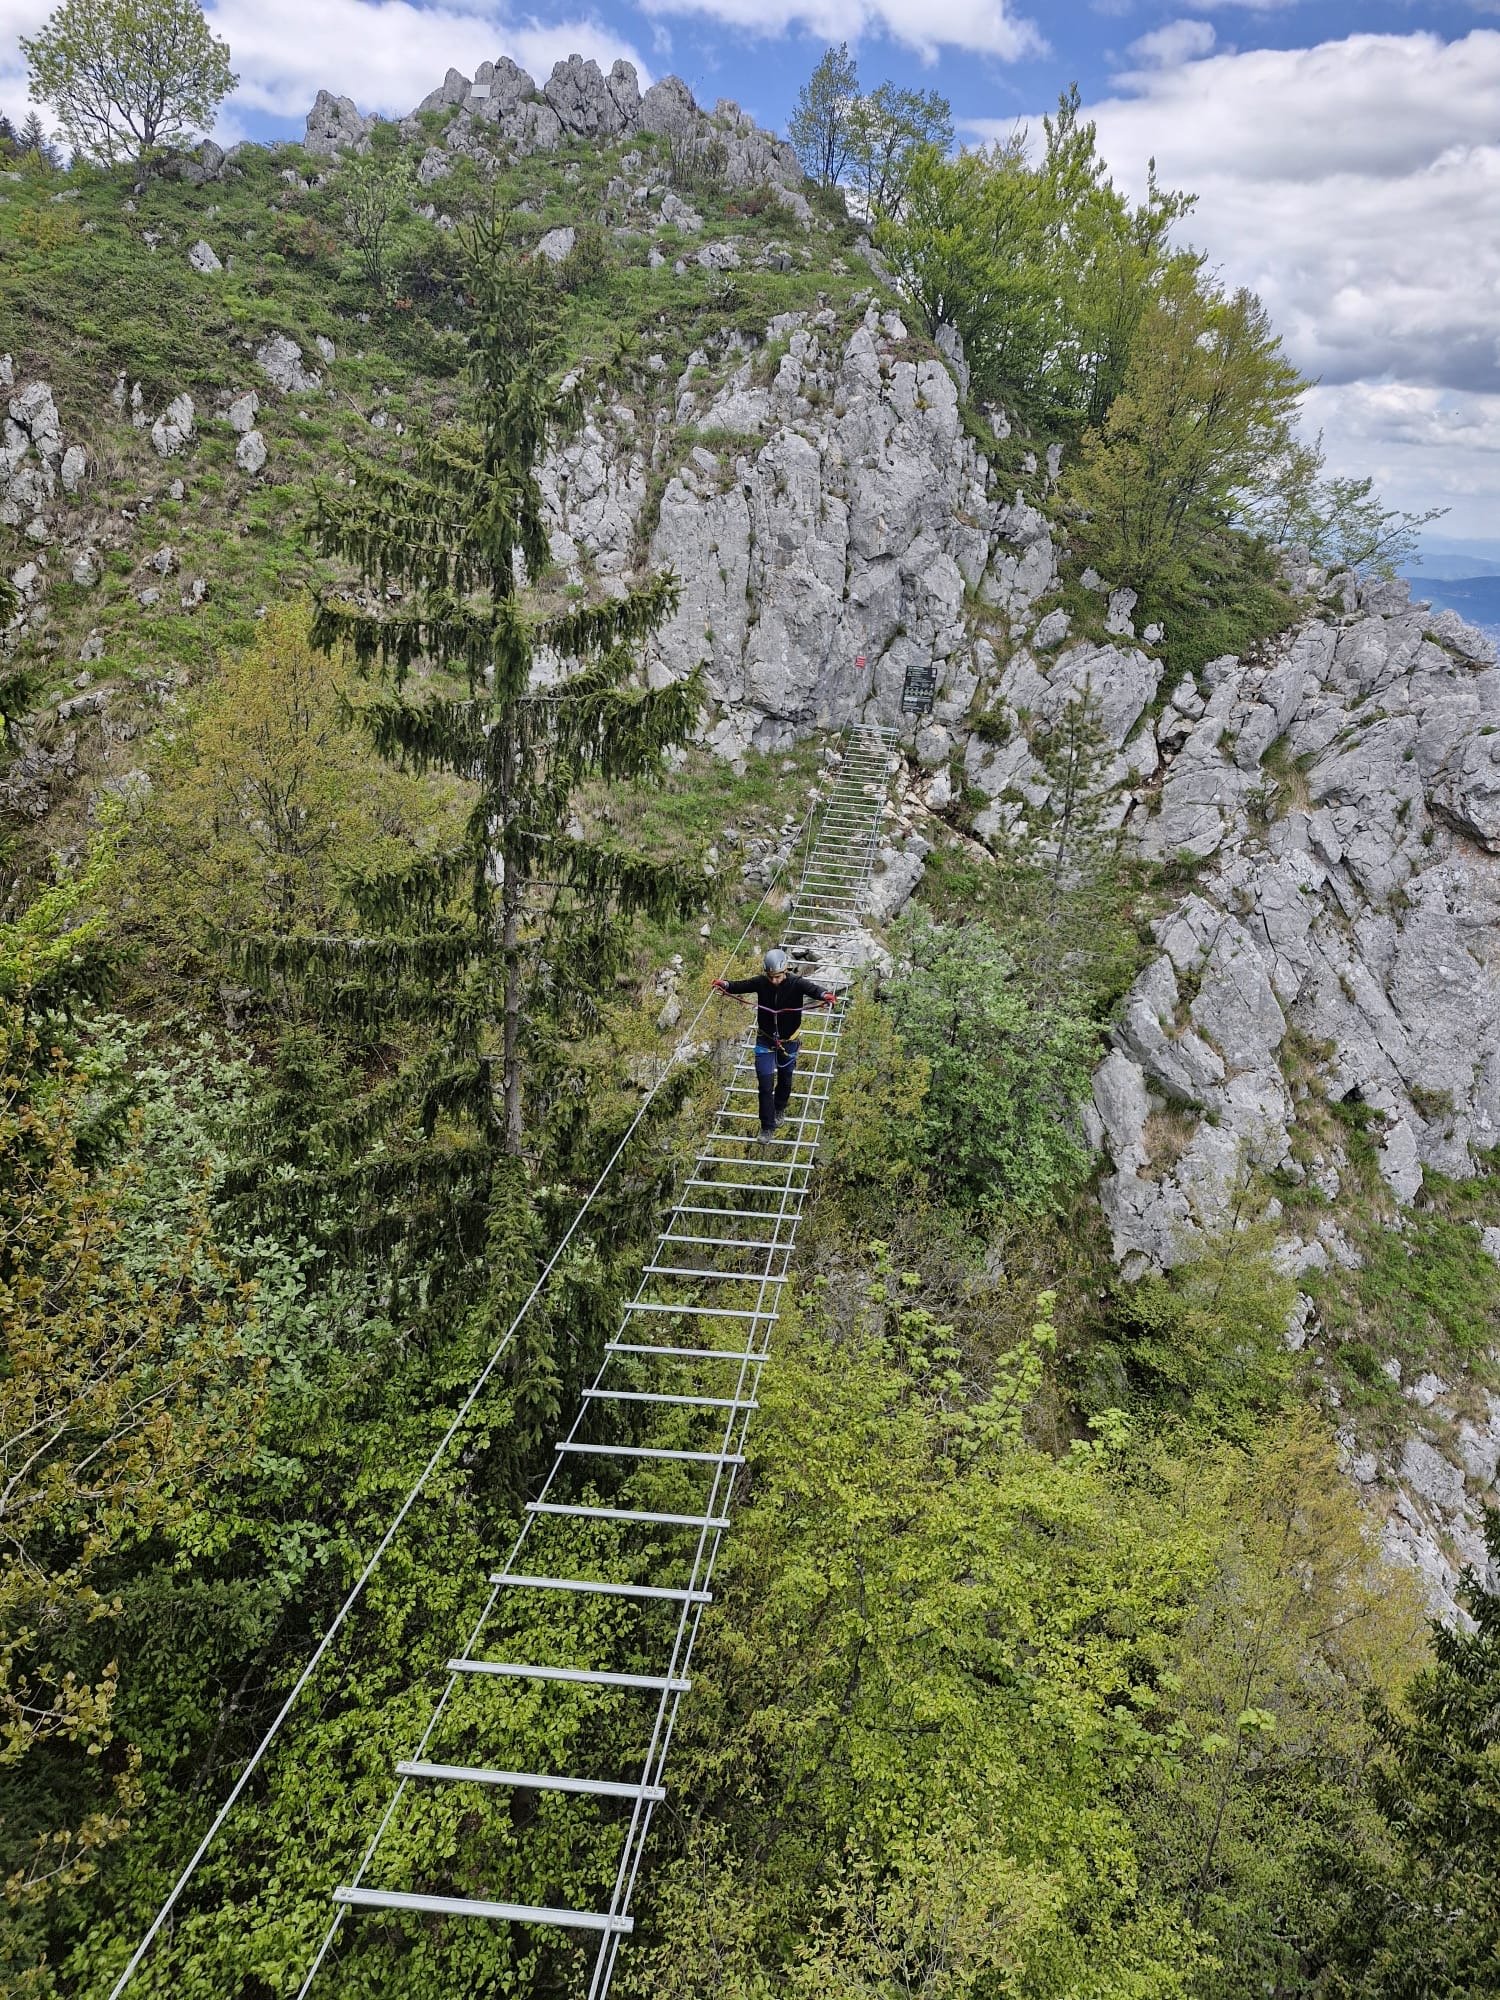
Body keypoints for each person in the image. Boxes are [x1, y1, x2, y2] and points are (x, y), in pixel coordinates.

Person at [714, 948, 837, 1139]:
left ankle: (780, 1108)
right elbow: (741, 985)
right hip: (765, 1039)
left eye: (778, 977)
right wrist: (726, 985)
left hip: (789, 1042)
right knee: (765, 1084)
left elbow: (814, 990)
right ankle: (767, 1127)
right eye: (771, 977)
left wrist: (825, 996)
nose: (774, 981)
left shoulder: (796, 983)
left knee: (785, 1080)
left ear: (785, 971)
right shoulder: (761, 982)